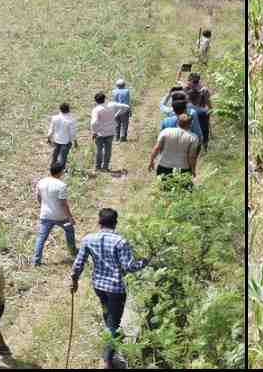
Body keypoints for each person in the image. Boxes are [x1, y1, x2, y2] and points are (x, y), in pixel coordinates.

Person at [70, 208, 148, 369]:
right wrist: (145, 261)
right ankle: (108, 361)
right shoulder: (120, 242)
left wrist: (74, 280)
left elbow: (78, 263)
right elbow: (130, 267)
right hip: (116, 289)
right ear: (115, 222)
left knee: (109, 318)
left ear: (99, 222)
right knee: (114, 323)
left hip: (99, 287)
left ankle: (112, 348)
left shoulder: (88, 239)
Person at [32, 164, 78, 266]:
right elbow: (63, 204)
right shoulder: (61, 185)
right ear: (60, 172)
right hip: (61, 216)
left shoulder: (41, 182)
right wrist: (70, 217)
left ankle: (36, 261)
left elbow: (38, 197)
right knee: (70, 231)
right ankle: (73, 251)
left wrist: (44, 206)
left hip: (45, 215)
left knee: (41, 238)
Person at [149, 114, 200, 191]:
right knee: (183, 193)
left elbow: (156, 148)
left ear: (177, 122)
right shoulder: (193, 137)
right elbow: (191, 157)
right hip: (183, 169)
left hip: (164, 166)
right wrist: (193, 170)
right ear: (190, 124)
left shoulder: (166, 132)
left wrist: (151, 161)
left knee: (165, 191)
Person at [90, 93, 130, 172]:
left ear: (95, 101)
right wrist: (117, 114)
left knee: (99, 151)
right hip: (111, 132)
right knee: (108, 150)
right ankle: (105, 167)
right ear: (105, 98)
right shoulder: (112, 105)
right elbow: (126, 107)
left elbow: (93, 122)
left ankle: (98, 167)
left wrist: (94, 132)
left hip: (100, 133)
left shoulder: (96, 109)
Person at [185, 73, 213, 152]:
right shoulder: (187, 89)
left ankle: (205, 148)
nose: (193, 84)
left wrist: (209, 110)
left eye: (195, 82)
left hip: (201, 114)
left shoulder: (204, 90)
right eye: (193, 82)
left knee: (204, 130)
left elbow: (208, 103)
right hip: (192, 113)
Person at [48, 103, 78, 171]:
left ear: (60, 109)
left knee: (55, 155)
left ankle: (52, 167)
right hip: (66, 142)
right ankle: (61, 170)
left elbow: (51, 129)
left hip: (56, 140)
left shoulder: (54, 118)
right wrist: (75, 141)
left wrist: (49, 137)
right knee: (63, 157)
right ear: (68, 110)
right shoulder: (71, 120)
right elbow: (72, 133)